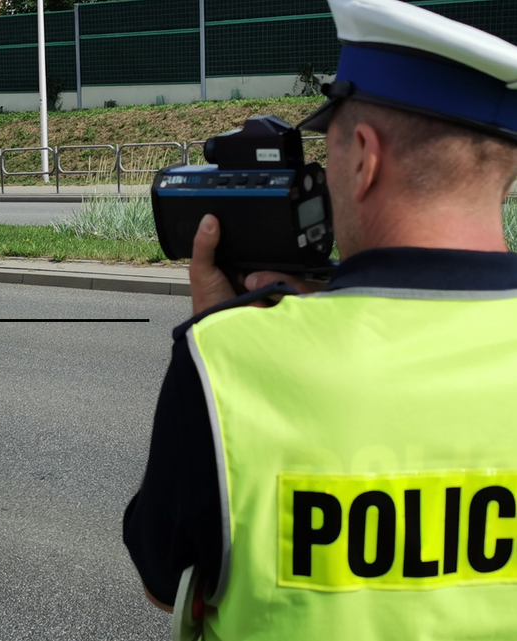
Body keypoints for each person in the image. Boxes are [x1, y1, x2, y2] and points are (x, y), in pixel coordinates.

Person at [123, 0, 517, 638]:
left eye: (326, 151)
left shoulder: (228, 363)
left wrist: (228, 327)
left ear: (363, 156)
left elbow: (163, 585)